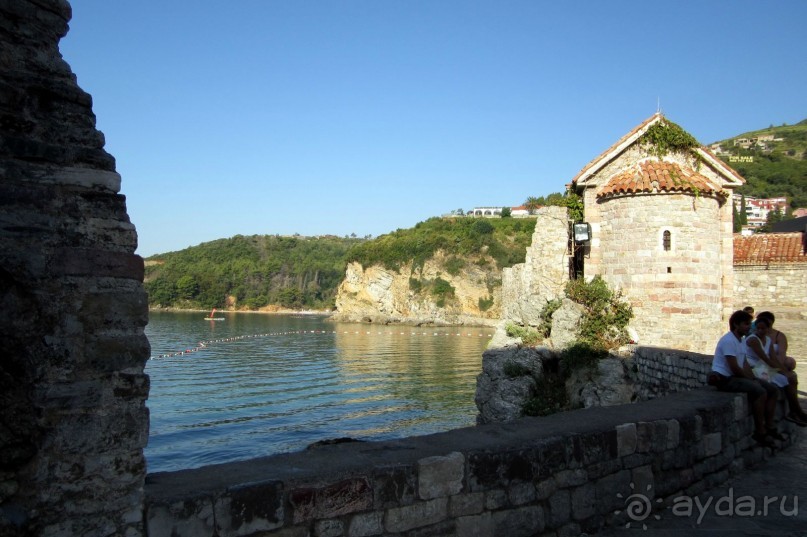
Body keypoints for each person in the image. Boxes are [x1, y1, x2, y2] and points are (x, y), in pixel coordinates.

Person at [711, 310, 779, 447]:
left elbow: (744, 363)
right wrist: (750, 379)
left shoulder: (741, 340)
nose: (749, 327)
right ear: (736, 324)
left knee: (773, 390)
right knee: (760, 392)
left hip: (736, 376)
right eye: (746, 324)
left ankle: (770, 425)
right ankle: (760, 431)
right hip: (725, 378)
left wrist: (752, 378)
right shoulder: (729, 341)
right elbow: (734, 367)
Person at [743, 316, 807, 428]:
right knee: (778, 384)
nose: (760, 331)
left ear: (768, 329)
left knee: (790, 379)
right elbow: (765, 359)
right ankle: (786, 416)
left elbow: (773, 358)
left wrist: (784, 371)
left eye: (763, 328)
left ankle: (795, 410)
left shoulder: (768, 340)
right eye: (758, 328)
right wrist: (782, 371)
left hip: (763, 368)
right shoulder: (753, 340)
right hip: (754, 369)